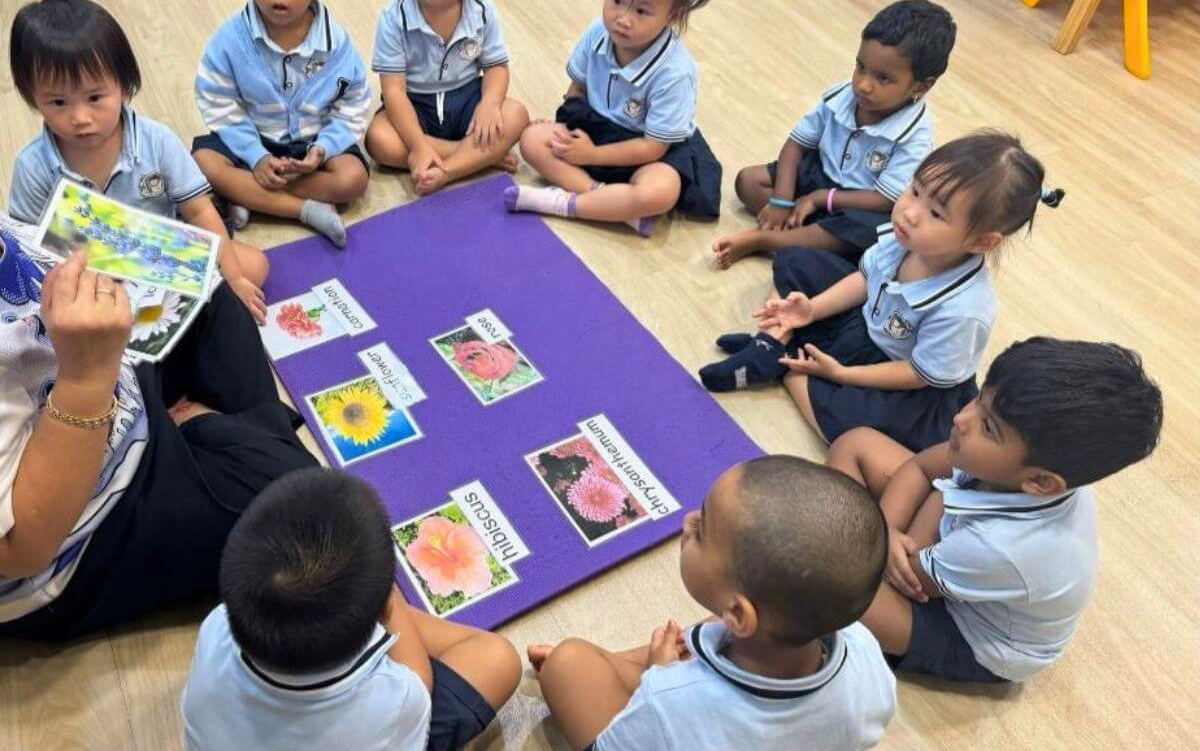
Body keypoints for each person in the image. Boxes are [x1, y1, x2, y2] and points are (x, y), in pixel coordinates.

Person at [0, 236, 318, 640]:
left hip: (107, 373)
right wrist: (87, 378)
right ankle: (207, 429)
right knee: (305, 509)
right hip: (84, 534)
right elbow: (22, 550)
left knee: (207, 286)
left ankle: (213, 435)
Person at [699, 131, 1065, 452]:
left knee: (848, 428)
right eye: (915, 190)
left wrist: (843, 375)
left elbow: (918, 374)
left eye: (936, 213)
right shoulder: (904, 238)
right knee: (795, 262)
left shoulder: (965, 310)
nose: (909, 213)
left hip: (903, 378)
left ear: (982, 241)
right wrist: (811, 310)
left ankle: (783, 363)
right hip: (865, 328)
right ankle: (787, 346)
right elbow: (865, 281)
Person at [826, 337, 1163, 683]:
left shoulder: (1005, 547)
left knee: (831, 579)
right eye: (979, 398)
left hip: (971, 637)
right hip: (946, 550)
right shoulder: (1013, 465)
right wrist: (887, 529)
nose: (961, 418)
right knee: (856, 444)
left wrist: (893, 538)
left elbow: (910, 581)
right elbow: (921, 469)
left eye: (988, 427)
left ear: (1042, 483)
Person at [528, 456, 896, 750]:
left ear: (738, 615)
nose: (689, 521)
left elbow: (647, 724)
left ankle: (606, 666)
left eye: (702, 530)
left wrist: (657, 679)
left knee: (567, 663)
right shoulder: (863, 650)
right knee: (701, 635)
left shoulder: (667, 702)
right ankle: (616, 662)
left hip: (677, 717)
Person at [181, 468, 522, 750]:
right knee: (497, 658)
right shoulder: (396, 701)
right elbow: (420, 680)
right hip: (379, 725)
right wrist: (386, 601)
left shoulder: (215, 627)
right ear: (385, 610)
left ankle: (356, 613)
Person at [7, 0, 269, 324]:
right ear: (33, 97)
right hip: (88, 273)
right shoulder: (34, 166)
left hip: (163, 258)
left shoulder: (156, 141)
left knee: (253, 266)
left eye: (94, 97)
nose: (80, 117)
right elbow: (27, 245)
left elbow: (200, 210)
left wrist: (233, 280)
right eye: (59, 102)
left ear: (124, 87)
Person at [713, 0, 955, 268]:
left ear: (921, 86)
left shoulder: (915, 136)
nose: (863, 85)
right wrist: (782, 200)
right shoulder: (843, 95)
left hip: (859, 204)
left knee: (870, 231)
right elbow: (796, 145)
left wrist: (818, 199)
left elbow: (882, 199)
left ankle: (764, 240)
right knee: (749, 181)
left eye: (883, 79)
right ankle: (806, 239)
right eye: (860, 67)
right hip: (820, 173)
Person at [504, 0, 723, 238]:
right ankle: (610, 203)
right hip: (594, 132)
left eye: (641, 11)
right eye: (616, 0)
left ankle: (567, 203)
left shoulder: (675, 72)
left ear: (674, 15)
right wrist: (563, 127)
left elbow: (653, 148)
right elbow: (578, 88)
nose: (623, 18)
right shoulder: (598, 32)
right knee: (532, 140)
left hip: (645, 151)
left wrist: (592, 154)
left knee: (661, 191)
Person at [193, 0, 371, 248]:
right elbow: (217, 101)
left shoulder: (335, 43)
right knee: (203, 163)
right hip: (251, 139)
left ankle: (249, 193)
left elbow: (351, 102)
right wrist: (255, 155)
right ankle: (305, 209)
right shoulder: (230, 40)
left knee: (353, 179)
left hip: (312, 145)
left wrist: (322, 150)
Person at [364, 0, 529, 195]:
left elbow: (496, 67)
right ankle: (477, 156)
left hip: (467, 101)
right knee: (378, 139)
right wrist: (418, 146)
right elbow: (394, 92)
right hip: (415, 107)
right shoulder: (393, 18)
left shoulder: (482, 9)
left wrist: (490, 104)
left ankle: (448, 170)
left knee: (516, 114)